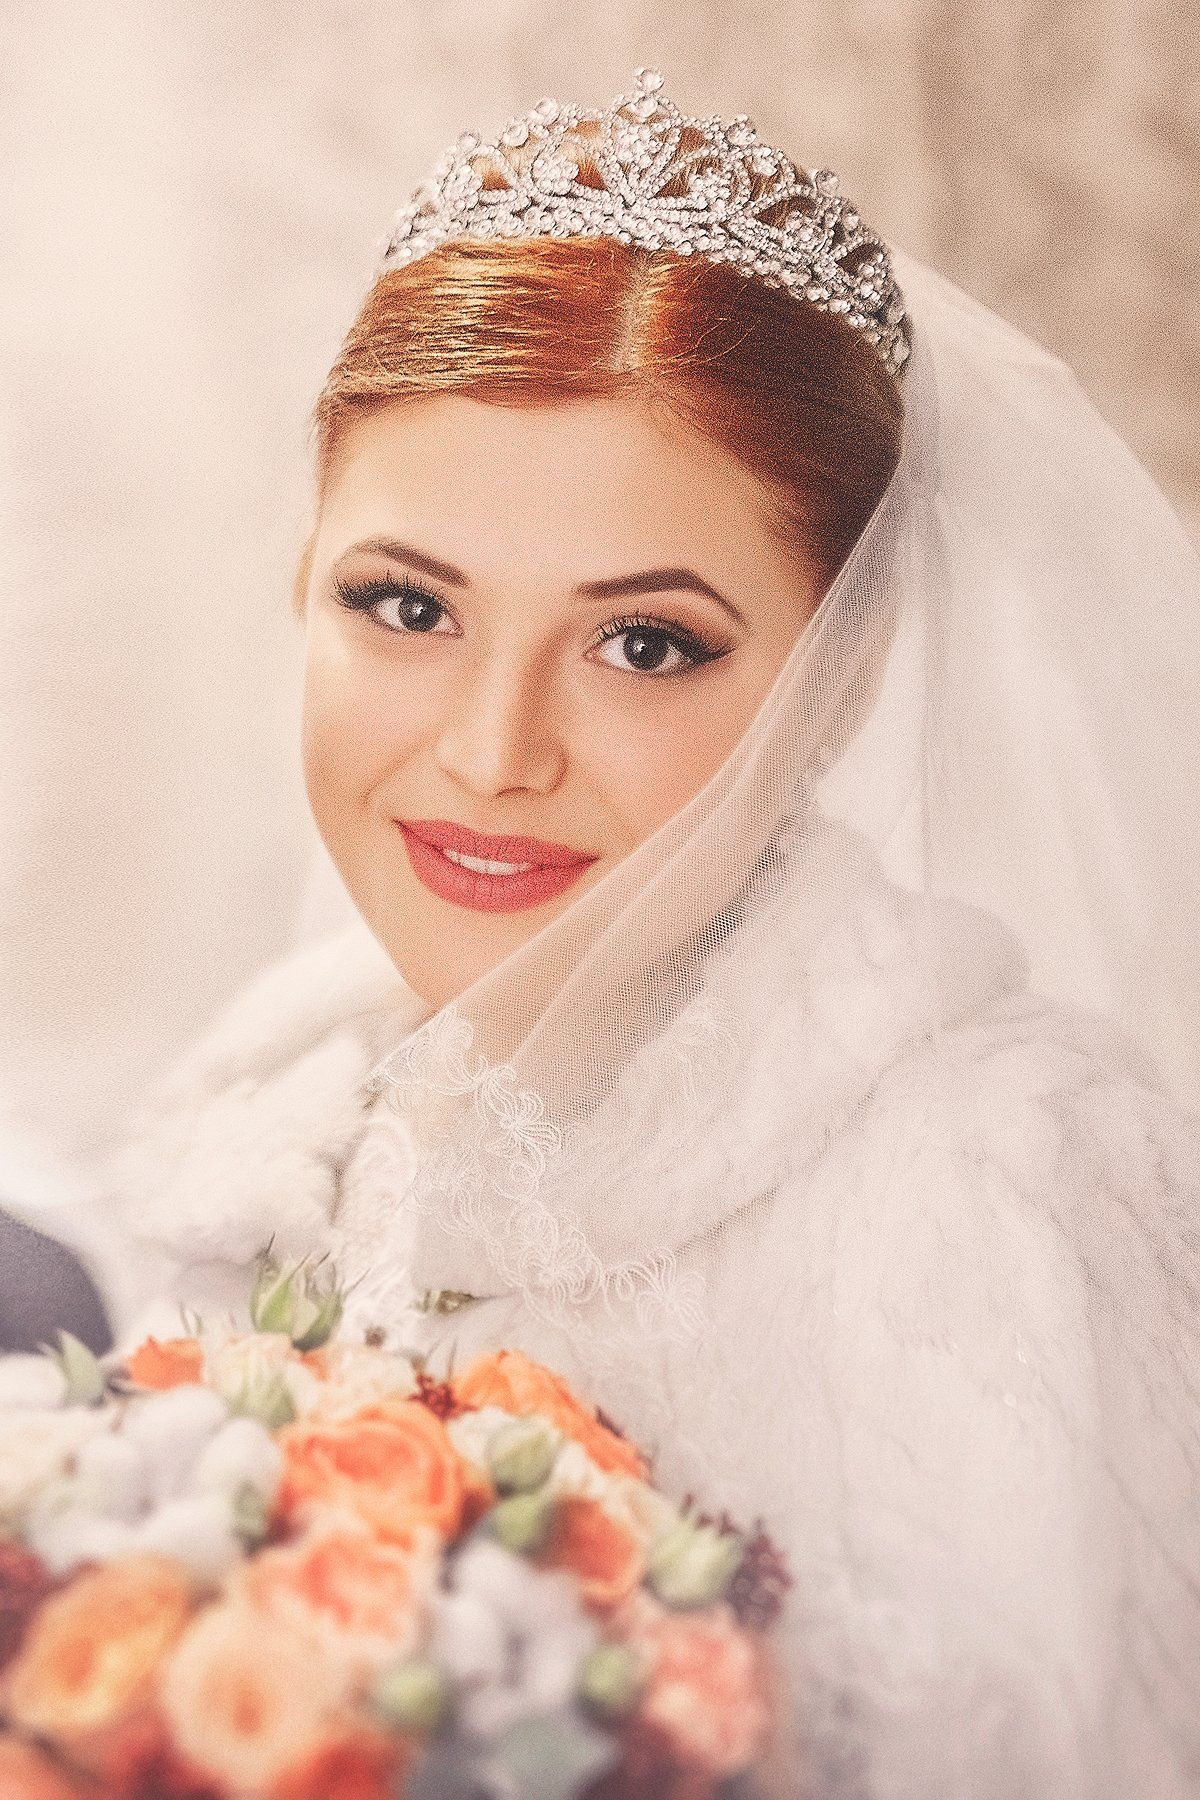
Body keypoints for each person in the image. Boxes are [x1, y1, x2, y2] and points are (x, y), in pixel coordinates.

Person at [81, 70, 1200, 1798]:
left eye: (646, 645)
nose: (492, 753)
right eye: (407, 605)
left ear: (841, 677)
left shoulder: (1011, 1184)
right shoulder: (263, 1097)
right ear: (303, 581)